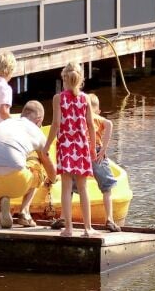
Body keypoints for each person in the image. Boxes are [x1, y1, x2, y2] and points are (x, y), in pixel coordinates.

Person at [0, 101, 57, 229]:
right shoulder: (36, 131)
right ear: (39, 120)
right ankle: (24, 212)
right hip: (16, 179)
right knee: (39, 162)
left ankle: (0, 206)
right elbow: (50, 169)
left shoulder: (4, 123)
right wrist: (53, 179)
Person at [46, 62, 97, 238]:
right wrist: (92, 147)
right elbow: (91, 125)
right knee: (83, 188)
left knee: (66, 188)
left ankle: (68, 228)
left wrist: (47, 146)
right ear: (80, 80)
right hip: (81, 146)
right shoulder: (86, 99)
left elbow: (55, 124)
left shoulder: (58, 99)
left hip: (66, 146)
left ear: (64, 79)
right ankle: (88, 228)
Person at [85, 93, 121, 232]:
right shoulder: (96, 117)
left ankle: (64, 217)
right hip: (97, 152)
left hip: (82, 153)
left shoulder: (82, 117)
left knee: (73, 186)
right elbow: (109, 124)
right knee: (107, 188)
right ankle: (109, 219)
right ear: (97, 110)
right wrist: (104, 148)